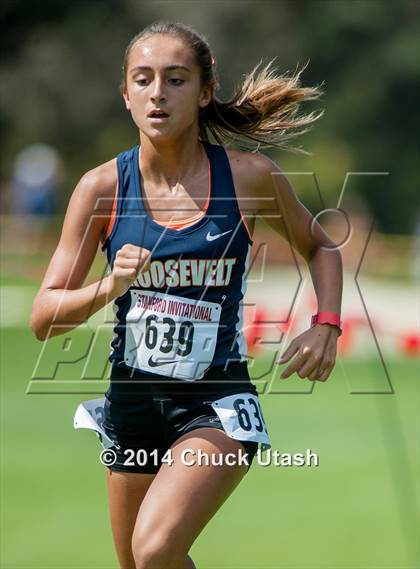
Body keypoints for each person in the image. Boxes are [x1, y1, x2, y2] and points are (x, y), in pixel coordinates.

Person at [30, 20, 343, 569]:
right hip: (130, 405)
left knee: (153, 550)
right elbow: (44, 317)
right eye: (143, 79)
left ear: (204, 91)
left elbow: (323, 248)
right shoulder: (101, 189)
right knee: (143, 564)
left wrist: (327, 324)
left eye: (175, 80)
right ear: (125, 94)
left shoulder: (249, 179)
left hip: (215, 404)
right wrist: (111, 285)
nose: (158, 93)